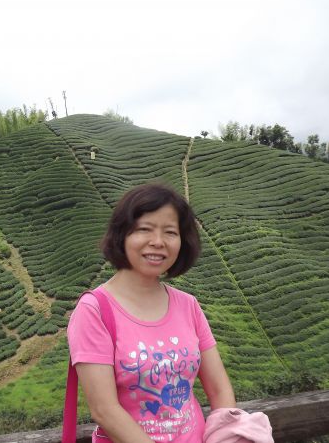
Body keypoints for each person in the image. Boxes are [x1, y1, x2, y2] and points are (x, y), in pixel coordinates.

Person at [67, 183, 236, 442]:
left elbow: (219, 388)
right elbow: (104, 410)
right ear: (122, 235)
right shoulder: (94, 311)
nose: (157, 242)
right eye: (144, 229)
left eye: (170, 232)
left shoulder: (188, 305)